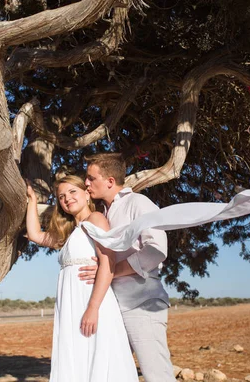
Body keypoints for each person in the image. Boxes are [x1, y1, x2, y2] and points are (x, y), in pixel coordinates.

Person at [25, 175, 138, 382]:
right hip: (71, 305)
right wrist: (32, 200)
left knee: (98, 357)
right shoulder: (69, 233)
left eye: (72, 192)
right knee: (77, 359)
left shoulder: (96, 219)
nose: (67, 198)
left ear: (87, 194)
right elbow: (35, 235)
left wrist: (93, 308)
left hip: (91, 302)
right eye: (61, 196)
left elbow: (108, 263)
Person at [81, 153, 177, 382]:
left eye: (90, 178)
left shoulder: (138, 203)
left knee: (157, 376)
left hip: (143, 304)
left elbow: (156, 250)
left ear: (110, 181)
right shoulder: (101, 213)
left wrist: (112, 269)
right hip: (112, 307)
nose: (86, 183)